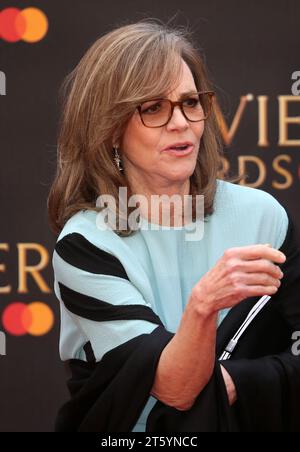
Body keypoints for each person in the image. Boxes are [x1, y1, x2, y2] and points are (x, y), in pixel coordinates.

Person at [48, 20, 300, 432]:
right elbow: (174, 388)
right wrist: (204, 305)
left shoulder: (263, 217)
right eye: (153, 108)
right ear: (110, 130)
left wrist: (240, 383)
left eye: (190, 102)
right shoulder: (87, 244)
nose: (181, 122)